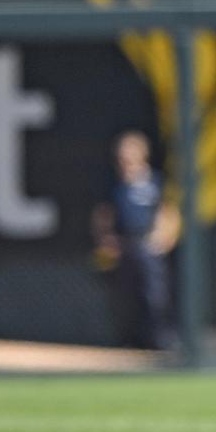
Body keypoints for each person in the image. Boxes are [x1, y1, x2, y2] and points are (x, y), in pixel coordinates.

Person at [91, 131, 180, 351]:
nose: (125, 158)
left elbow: (169, 213)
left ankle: (159, 339)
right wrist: (106, 240)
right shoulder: (114, 184)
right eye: (122, 154)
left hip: (148, 247)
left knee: (155, 296)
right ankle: (130, 341)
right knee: (125, 298)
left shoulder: (155, 182)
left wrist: (162, 238)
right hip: (124, 247)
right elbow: (103, 215)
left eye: (130, 152)